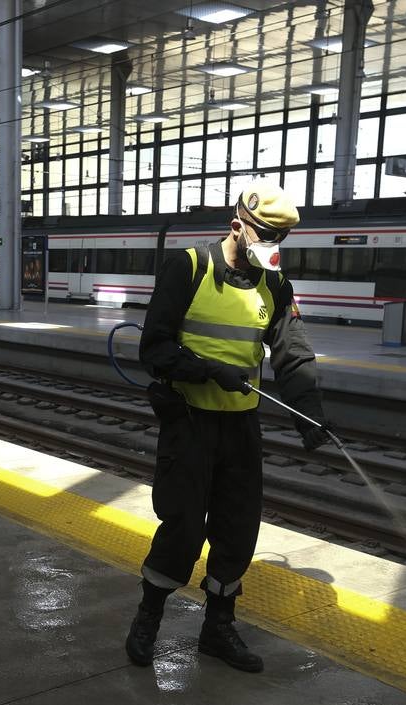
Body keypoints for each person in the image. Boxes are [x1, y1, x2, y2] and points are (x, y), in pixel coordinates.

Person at [125, 179, 330, 674]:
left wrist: (312, 415)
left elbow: (293, 355)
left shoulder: (276, 286)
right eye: (265, 235)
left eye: (279, 239)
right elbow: (153, 348)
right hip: (189, 423)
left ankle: (217, 628)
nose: (271, 247)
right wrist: (205, 369)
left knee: (238, 531)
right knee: (182, 528)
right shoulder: (189, 267)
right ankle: (148, 617)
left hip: (240, 431)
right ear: (237, 224)